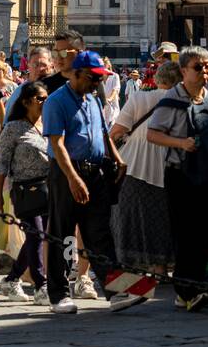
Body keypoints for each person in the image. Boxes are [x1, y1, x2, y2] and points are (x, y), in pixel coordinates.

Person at [42, 50, 144, 316]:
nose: (98, 83)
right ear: (76, 74)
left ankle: (117, 290)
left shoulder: (93, 98)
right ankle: (59, 293)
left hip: (96, 172)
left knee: (99, 232)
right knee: (62, 233)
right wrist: (73, 178)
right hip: (67, 173)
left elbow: (102, 132)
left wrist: (118, 158)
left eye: (100, 78)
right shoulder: (56, 101)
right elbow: (57, 143)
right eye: (93, 77)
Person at [148, 46, 208, 314]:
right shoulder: (171, 100)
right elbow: (152, 134)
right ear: (183, 71)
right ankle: (186, 290)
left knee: (202, 233)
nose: (205, 72)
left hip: (205, 173)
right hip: (179, 174)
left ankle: (196, 286)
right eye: (199, 67)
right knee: (184, 233)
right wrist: (181, 142)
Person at [110, 60, 182, 276]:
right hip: (168, 167)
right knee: (162, 220)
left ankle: (131, 269)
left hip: (133, 166)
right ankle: (160, 268)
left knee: (130, 219)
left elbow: (114, 133)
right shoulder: (181, 101)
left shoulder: (139, 98)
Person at [0, 81, 50, 303]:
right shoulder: (13, 128)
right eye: (40, 98)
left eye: (47, 97)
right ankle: (40, 284)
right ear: (26, 102)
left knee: (39, 236)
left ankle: (11, 279)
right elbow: (2, 164)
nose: (45, 102)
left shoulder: (46, 125)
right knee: (35, 235)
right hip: (25, 190)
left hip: (47, 188)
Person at [3, 46, 53, 123]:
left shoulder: (58, 89)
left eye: (43, 65)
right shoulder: (19, 93)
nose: (40, 69)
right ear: (28, 65)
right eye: (35, 65)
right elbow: (7, 123)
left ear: (51, 65)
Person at [101, 58, 121, 129]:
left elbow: (115, 89)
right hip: (102, 107)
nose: (102, 66)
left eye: (104, 64)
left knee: (111, 125)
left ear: (108, 65)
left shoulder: (115, 76)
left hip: (112, 105)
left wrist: (110, 99)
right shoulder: (98, 78)